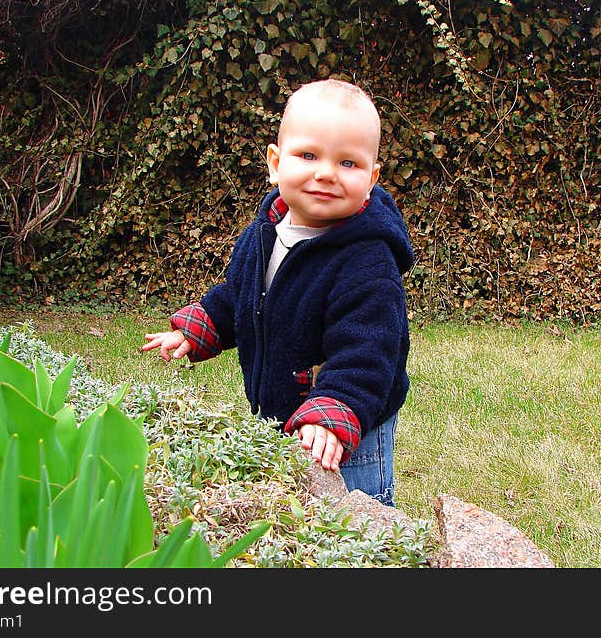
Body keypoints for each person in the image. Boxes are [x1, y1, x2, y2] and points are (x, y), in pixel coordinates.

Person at [141, 79, 414, 507]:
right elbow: (241, 296)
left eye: (348, 164)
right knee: (298, 509)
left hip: (350, 419)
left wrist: (335, 412)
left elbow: (368, 352)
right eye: (308, 156)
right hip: (284, 409)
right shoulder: (263, 234)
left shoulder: (367, 261)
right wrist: (199, 329)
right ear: (275, 161)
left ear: (372, 178)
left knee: (354, 511)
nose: (325, 172)